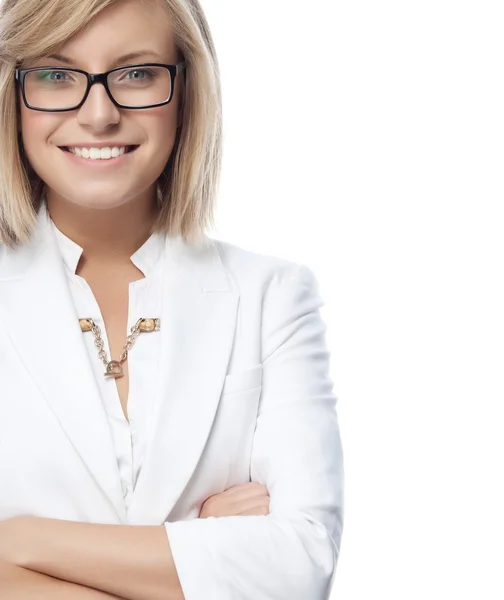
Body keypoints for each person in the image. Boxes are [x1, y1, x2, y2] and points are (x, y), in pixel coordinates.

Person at [0, 0, 344, 598]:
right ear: (12, 93)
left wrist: (18, 544)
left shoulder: (273, 296)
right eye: (56, 75)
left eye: (136, 74)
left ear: (187, 90)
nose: (99, 114)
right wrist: (199, 554)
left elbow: (300, 564)